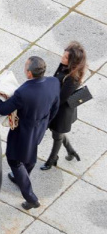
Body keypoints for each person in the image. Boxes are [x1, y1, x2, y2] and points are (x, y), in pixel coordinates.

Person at [0, 56, 60, 210]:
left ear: (30, 74)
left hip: (24, 132)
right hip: (40, 126)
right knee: (30, 153)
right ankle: (22, 176)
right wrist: (45, 124)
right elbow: (55, 107)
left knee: (14, 160)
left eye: (25, 68)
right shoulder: (53, 82)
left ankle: (30, 197)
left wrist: (1, 95)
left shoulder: (23, 92)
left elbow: (2, 110)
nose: (24, 70)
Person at [41, 41, 86, 170]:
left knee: (57, 135)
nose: (62, 58)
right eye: (64, 55)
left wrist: (47, 106)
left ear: (72, 61)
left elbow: (61, 99)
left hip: (62, 112)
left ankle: (52, 159)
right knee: (57, 133)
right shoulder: (64, 67)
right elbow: (55, 80)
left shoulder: (73, 79)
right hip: (57, 107)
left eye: (66, 57)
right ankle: (71, 150)